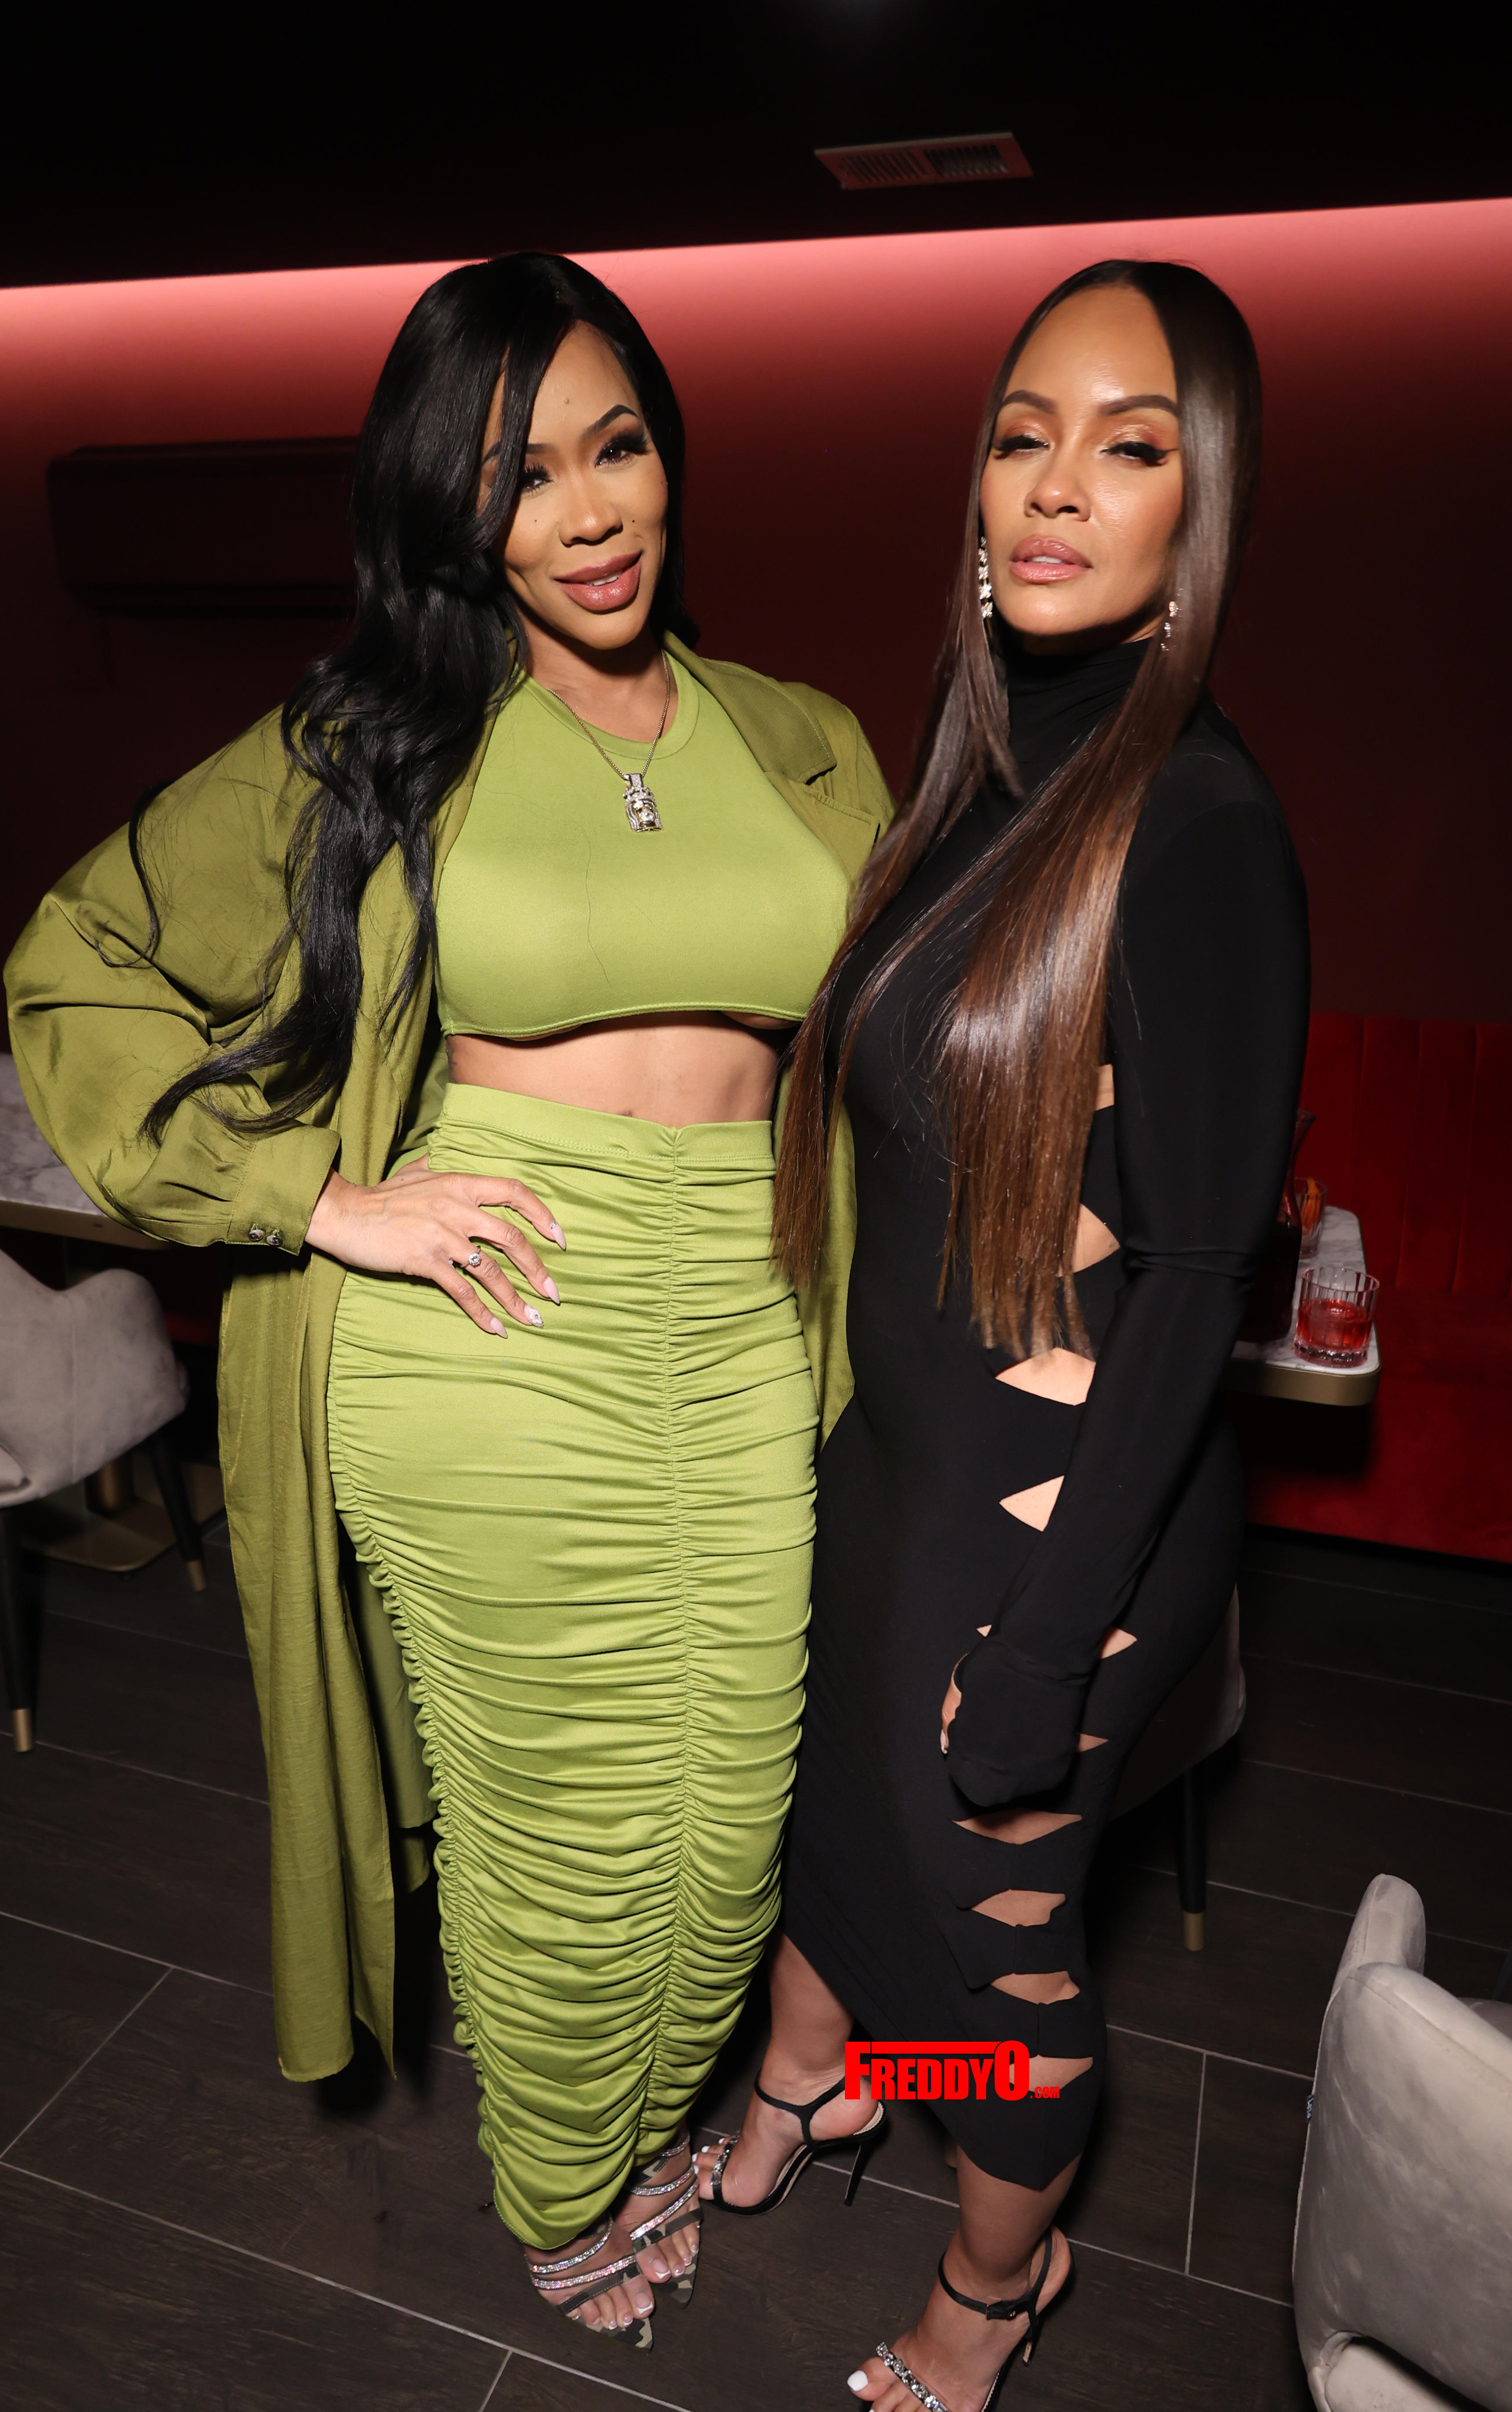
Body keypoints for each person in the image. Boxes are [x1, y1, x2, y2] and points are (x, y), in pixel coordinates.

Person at [5, 251, 892, 2350]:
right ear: (450, 513)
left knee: (729, 1819)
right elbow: (74, 958)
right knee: (563, 1823)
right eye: (519, 480)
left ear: (669, 453)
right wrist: (318, 1198)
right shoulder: (378, 744)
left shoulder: (804, 739)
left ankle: (660, 2117)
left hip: (750, 1319)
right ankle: (566, 2185)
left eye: (616, 447)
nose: (587, 513)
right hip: (501, 1318)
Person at [697, 259, 1309, 2410]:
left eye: (1129, 447)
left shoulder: (1202, 825)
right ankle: (818, 2075)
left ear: (1199, 505)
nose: (1056, 487)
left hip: (1059, 1529)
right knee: (836, 1849)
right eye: (1023, 435)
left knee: (1000, 1964)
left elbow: (1203, 1279)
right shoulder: (978, 774)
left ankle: (992, 2288)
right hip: (907, 1471)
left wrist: (1047, 1650)